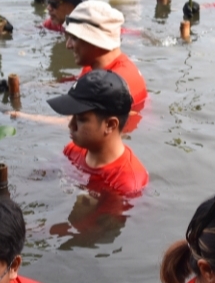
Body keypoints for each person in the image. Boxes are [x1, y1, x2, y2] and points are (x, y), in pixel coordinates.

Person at [47, 69, 149, 197]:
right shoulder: (72, 151)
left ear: (110, 125)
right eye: (72, 116)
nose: (70, 125)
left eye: (81, 119)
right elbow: (45, 175)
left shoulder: (127, 184)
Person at [65, 0, 148, 111]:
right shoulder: (94, 67)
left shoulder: (113, 85)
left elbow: (79, 123)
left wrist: (33, 119)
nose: (68, 45)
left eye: (74, 38)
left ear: (95, 40)